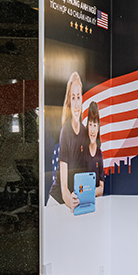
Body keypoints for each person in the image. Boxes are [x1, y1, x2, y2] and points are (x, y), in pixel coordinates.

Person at [49, 72, 88, 212]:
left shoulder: (85, 132)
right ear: (69, 102)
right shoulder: (65, 132)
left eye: (79, 97)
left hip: (76, 200)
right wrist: (70, 201)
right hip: (58, 201)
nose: (76, 103)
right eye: (73, 97)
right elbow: (64, 188)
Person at [84, 101, 105, 197]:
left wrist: (90, 191)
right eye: (90, 125)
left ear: (98, 128)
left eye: (95, 125)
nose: (92, 130)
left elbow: (101, 188)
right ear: (87, 126)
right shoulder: (82, 152)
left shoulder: (99, 154)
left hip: (97, 201)